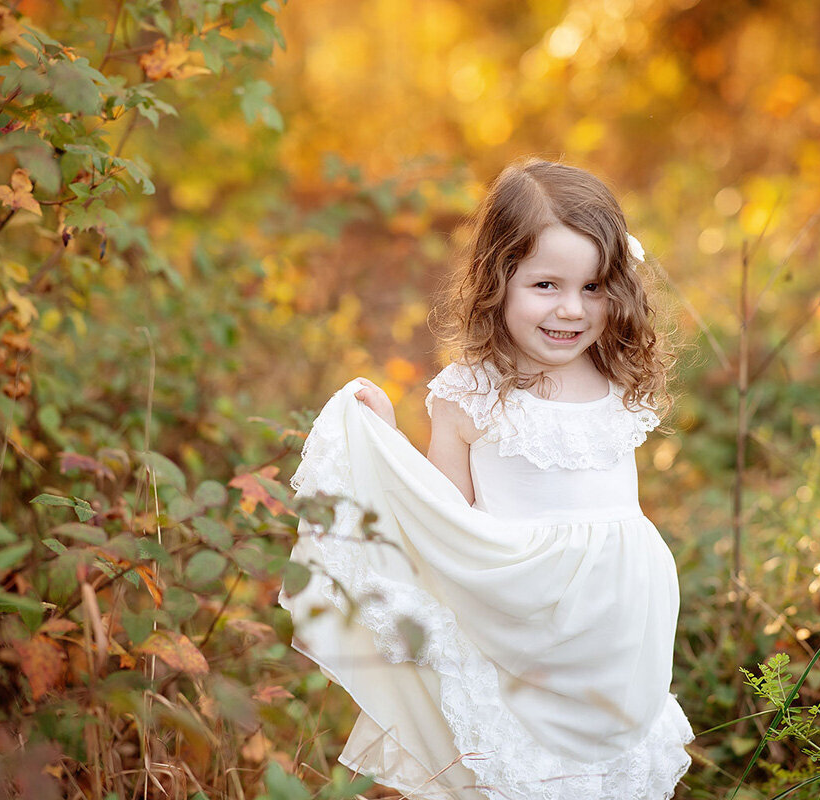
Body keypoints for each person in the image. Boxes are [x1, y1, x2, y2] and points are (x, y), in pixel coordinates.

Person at [279, 158, 692, 800]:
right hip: (525, 622)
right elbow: (446, 515)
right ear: (499, 280)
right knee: (527, 773)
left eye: (592, 287)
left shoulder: (616, 379)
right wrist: (384, 439)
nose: (571, 310)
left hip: (613, 639)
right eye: (547, 285)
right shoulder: (471, 394)